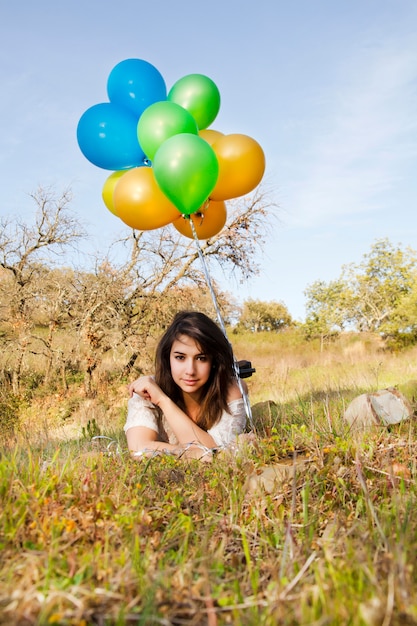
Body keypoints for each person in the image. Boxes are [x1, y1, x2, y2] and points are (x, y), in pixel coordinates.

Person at [124, 311, 248, 460]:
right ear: (167, 357)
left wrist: (163, 401)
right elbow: (138, 448)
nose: (190, 370)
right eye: (180, 357)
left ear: (214, 361)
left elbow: (217, 450)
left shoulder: (231, 389)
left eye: (201, 358)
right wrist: (197, 453)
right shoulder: (148, 389)